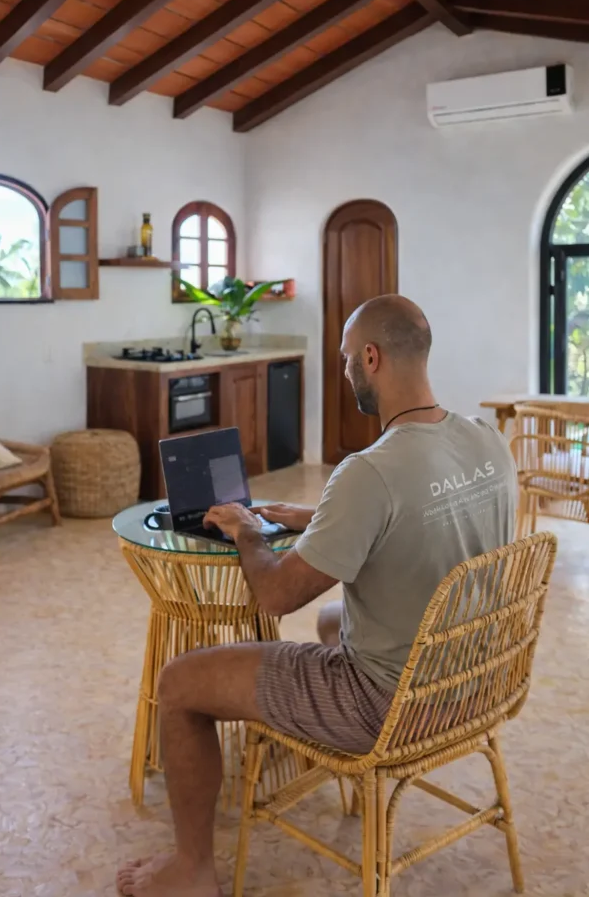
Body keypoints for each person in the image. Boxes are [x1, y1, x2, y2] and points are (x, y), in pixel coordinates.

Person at [117, 294, 517, 897]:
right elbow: (412, 518)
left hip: (391, 706)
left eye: (347, 359)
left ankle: (191, 870)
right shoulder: (488, 442)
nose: (346, 370)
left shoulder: (369, 472)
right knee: (337, 620)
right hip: (477, 682)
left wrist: (250, 531)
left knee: (178, 684)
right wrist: (324, 517)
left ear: (372, 358)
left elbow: (277, 596)